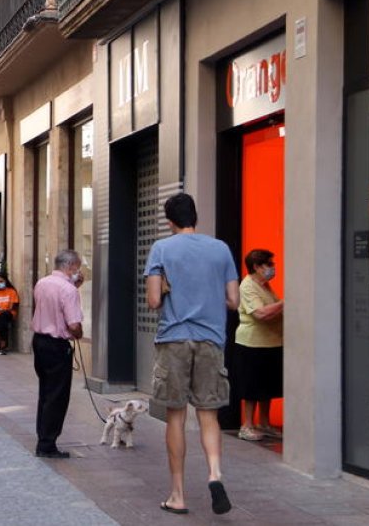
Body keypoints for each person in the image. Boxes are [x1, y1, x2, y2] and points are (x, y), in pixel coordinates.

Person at [145, 193, 239, 516]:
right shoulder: (221, 249)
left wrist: (171, 289)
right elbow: (234, 301)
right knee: (208, 414)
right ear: (195, 217)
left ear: (170, 221)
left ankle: (178, 495)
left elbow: (154, 300)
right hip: (211, 340)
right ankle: (214, 474)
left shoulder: (162, 249)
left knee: (175, 415)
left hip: (174, 339)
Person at [31, 250, 84, 458]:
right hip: (56, 345)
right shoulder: (68, 290)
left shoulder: (42, 283)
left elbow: (51, 306)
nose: (78, 272)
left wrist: (74, 286)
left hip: (39, 342)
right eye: (77, 268)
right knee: (57, 395)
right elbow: (73, 324)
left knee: (45, 391)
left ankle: (43, 436)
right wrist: (78, 334)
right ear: (70, 267)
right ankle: (47, 443)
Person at [234, 248, 284, 442]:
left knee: (267, 386)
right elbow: (261, 313)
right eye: (269, 264)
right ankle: (247, 425)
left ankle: (264, 423)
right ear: (256, 266)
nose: (273, 268)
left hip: (271, 342)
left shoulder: (265, 285)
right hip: (252, 344)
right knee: (252, 386)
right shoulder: (247, 286)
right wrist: (284, 304)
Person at [0, 271, 20, 355]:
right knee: (2, 320)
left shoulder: (11, 291)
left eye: (1, 281)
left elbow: (12, 307)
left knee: (3, 316)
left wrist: (3, 310)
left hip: (9, 313)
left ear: (5, 281)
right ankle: (2, 348)